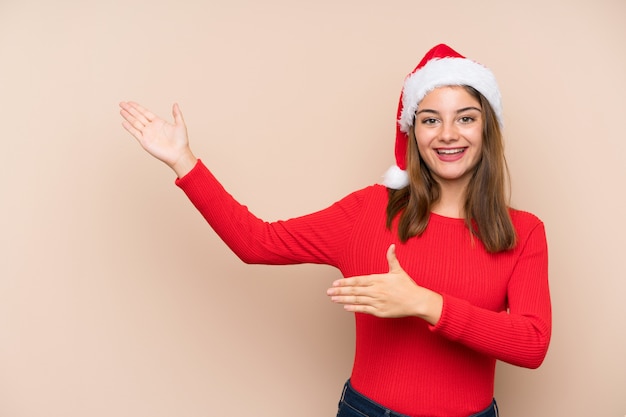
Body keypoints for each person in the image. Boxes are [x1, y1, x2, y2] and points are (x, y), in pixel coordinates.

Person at [119, 44, 551, 417]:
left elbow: (532, 344)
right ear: (412, 132)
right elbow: (257, 242)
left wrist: (424, 303)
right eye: (431, 120)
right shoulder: (369, 211)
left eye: (466, 118)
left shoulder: (523, 231)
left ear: (486, 128)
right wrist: (184, 161)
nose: (448, 134)